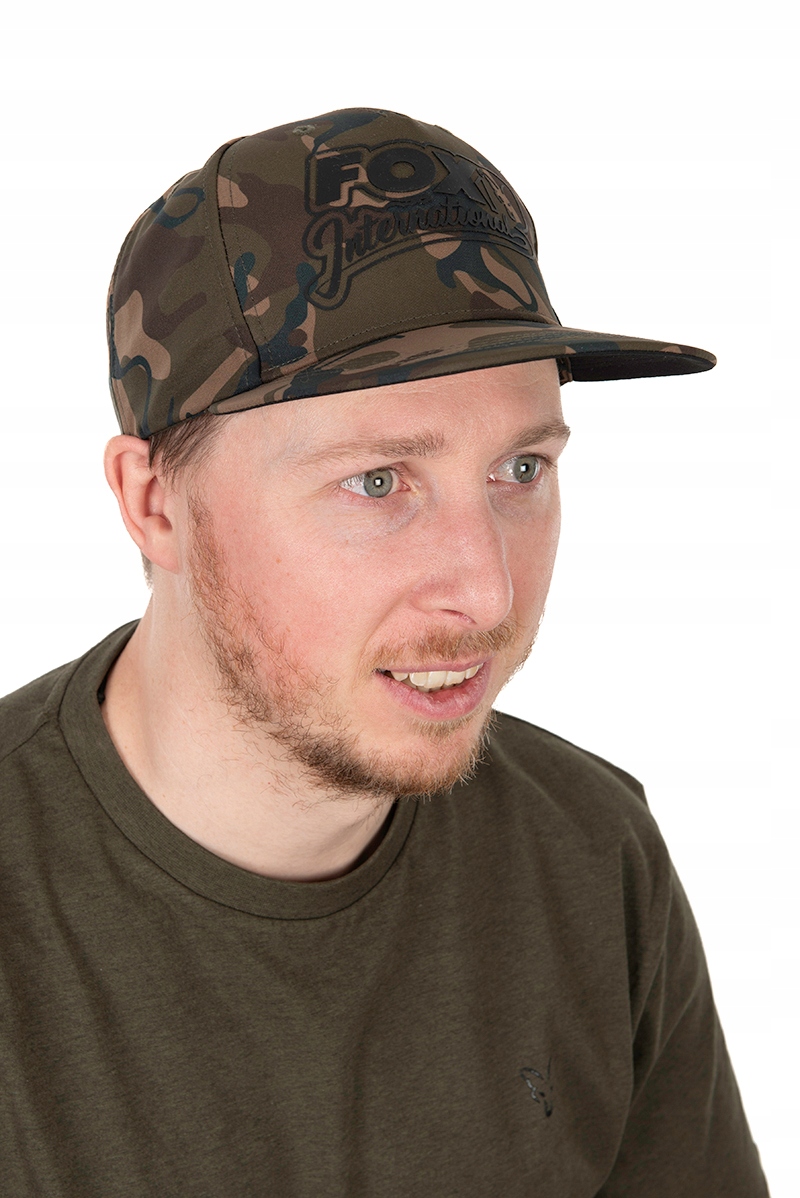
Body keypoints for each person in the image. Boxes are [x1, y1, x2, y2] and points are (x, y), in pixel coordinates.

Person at [0, 108, 769, 1196]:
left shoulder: (588, 854)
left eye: (520, 472)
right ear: (154, 502)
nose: (486, 589)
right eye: (376, 482)